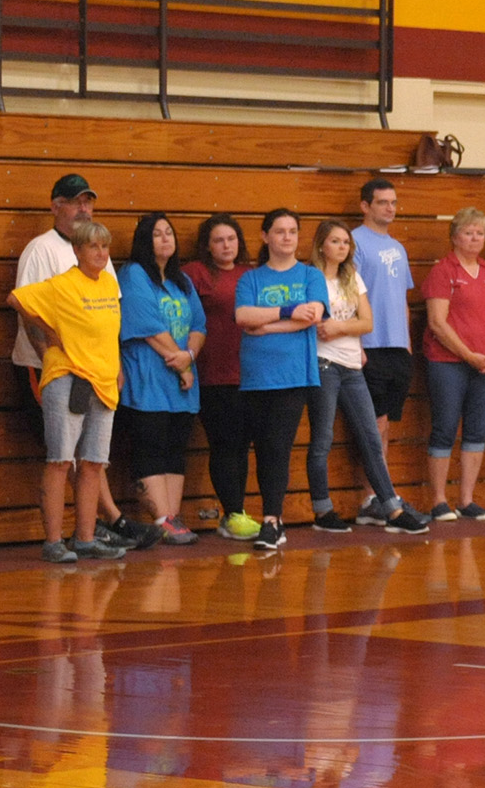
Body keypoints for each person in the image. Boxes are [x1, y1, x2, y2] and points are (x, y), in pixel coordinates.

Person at [14, 175, 141, 547]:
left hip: (101, 377)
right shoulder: (48, 257)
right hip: (65, 375)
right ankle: (54, 541)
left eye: (105, 247)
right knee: (60, 460)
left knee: (93, 462)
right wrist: (51, 349)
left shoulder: (105, 278)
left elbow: (109, 322)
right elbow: (21, 303)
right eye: (75, 201)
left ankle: (86, 536)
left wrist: (115, 365)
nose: (100, 253)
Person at [305, 218, 424, 534]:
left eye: (346, 242)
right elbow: (315, 326)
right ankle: (322, 509)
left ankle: (392, 508)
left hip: (352, 365)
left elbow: (366, 322)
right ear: (321, 245)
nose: (342, 247)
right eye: (335, 241)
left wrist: (340, 327)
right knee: (323, 439)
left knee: (371, 437)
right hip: (323, 364)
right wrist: (343, 326)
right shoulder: (311, 278)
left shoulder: (352, 278)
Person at [231, 208, 328, 549]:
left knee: (278, 446)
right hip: (256, 376)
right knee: (262, 448)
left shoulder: (310, 276)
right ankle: (272, 517)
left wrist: (265, 325)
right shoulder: (251, 279)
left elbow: (312, 316)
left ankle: (272, 520)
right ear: (265, 236)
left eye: (292, 231)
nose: (287, 237)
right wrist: (287, 311)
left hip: (293, 375)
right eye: (280, 231)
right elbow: (243, 316)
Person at [118, 212, 206, 546]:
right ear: (144, 240)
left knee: (175, 447)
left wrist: (191, 356)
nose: (165, 238)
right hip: (149, 378)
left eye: (169, 232)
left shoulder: (182, 280)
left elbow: (199, 325)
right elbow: (148, 326)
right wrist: (182, 366)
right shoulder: (135, 274)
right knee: (150, 445)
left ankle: (173, 517)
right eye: (157, 234)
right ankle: (160, 518)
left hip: (181, 381)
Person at [422, 208, 485, 522]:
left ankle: (467, 500)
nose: (475, 238)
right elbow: (437, 322)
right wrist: (469, 355)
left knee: (477, 430)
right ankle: (438, 500)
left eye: (480, 233)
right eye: (469, 232)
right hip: (448, 362)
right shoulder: (444, 271)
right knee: (445, 428)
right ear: (455, 236)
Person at [352, 178, 420, 524]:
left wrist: (406, 341)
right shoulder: (355, 242)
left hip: (396, 346)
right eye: (382, 202)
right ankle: (371, 498)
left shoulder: (397, 247)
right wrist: (359, 343)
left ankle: (382, 493)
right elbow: (351, 296)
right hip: (371, 344)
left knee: (387, 425)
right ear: (365, 206)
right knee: (374, 424)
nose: (389, 208)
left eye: (393, 202)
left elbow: (402, 297)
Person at [184, 214, 255, 541]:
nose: (226, 245)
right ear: (207, 246)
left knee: (242, 446)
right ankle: (232, 512)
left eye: (231, 239)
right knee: (224, 444)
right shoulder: (195, 274)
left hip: (251, 375)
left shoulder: (251, 274)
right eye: (218, 240)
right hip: (212, 374)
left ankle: (236, 512)